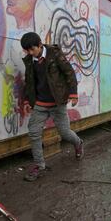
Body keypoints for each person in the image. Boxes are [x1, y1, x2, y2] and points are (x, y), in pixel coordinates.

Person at [20, 32, 83, 182]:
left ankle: (78, 142)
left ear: (40, 45)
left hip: (57, 102)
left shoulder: (55, 54)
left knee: (65, 133)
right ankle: (39, 165)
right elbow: (29, 82)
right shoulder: (30, 60)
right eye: (27, 50)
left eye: (32, 49)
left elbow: (69, 73)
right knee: (34, 133)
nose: (30, 53)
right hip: (40, 104)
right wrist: (27, 101)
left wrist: (73, 94)